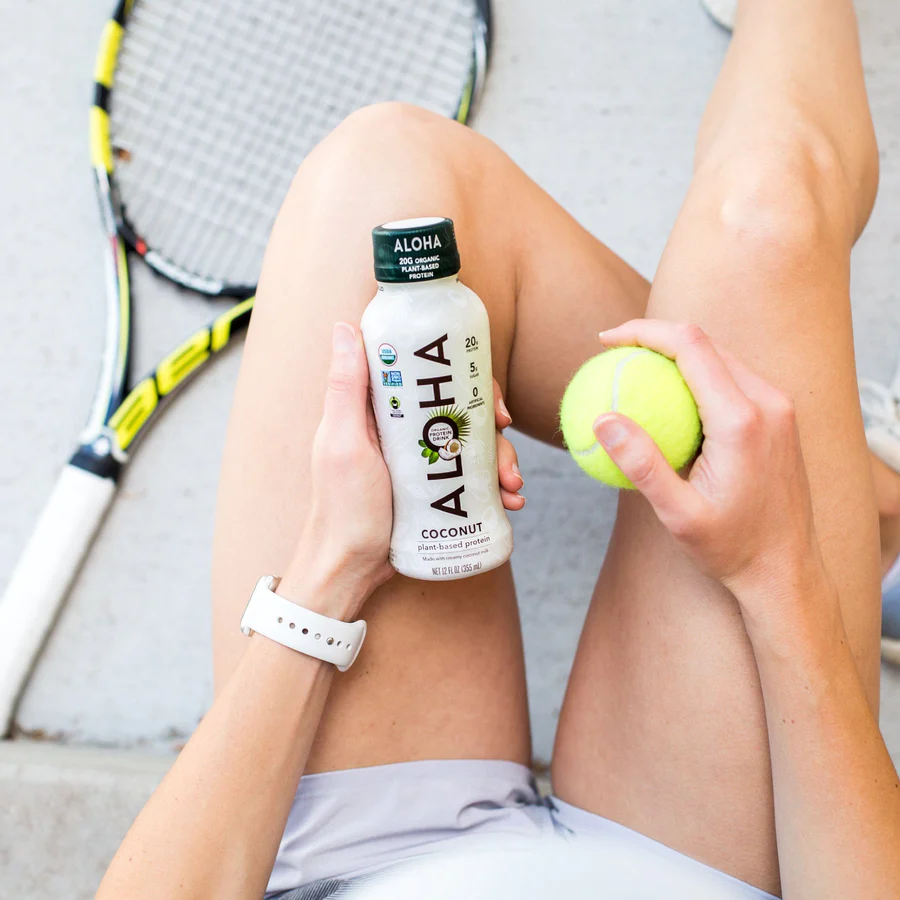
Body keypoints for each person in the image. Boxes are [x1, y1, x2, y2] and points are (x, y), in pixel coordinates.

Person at [97, 1, 900, 897]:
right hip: (695, 872)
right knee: (767, 211)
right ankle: (851, 501)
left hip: (361, 857)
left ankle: (849, 482)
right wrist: (783, 579)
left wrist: (333, 567)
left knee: (386, 180)